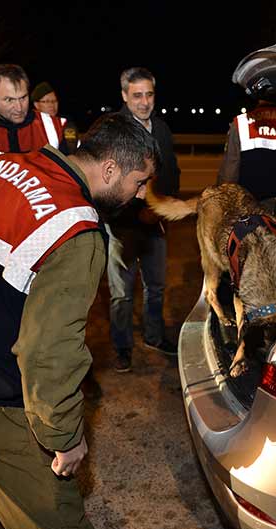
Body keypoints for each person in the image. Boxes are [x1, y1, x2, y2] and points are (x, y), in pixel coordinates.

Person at [0, 114, 158, 529]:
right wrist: (64, 436)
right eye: (140, 182)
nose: (141, 195)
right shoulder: (76, 229)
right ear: (111, 168)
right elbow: (49, 350)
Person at [107, 67, 180, 372]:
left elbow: (173, 172)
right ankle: (122, 347)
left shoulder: (161, 128)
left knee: (157, 287)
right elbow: (104, 181)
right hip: (122, 226)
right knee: (122, 294)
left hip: (155, 223)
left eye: (149, 94)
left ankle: (154, 336)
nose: (144, 101)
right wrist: (134, 206)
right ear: (125, 95)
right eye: (137, 95)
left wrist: (162, 206)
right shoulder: (112, 129)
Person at [32, 81, 80, 152]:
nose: (52, 105)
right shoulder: (29, 123)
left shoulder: (65, 122)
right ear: (36, 105)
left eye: (54, 101)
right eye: (47, 101)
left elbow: (71, 148)